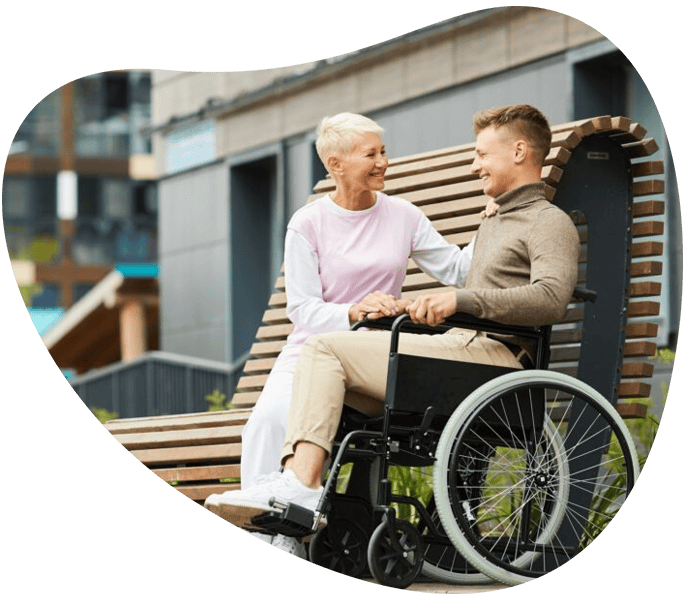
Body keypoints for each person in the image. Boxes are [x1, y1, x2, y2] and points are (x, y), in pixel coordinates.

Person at [204, 104, 581, 538]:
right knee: (279, 406)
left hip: (486, 357)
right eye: (372, 153)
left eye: (481, 154)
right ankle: (285, 517)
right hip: (448, 344)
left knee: (325, 349)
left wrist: (454, 298)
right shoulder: (496, 219)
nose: (474, 165)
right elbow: (475, 275)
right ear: (336, 165)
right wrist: (415, 303)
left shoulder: (548, 222)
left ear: (518, 151)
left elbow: (550, 298)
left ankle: (300, 489)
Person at [205, 112, 475, 557]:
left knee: (301, 421)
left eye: (383, 151)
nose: (383, 162)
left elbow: (457, 268)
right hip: (314, 348)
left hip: (373, 352)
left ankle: (285, 532)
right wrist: (353, 309)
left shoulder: (403, 216)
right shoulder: (308, 224)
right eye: (371, 154)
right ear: (335, 164)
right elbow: (302, 307)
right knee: (266, 422)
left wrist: (496, 217)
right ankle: (265, 537)